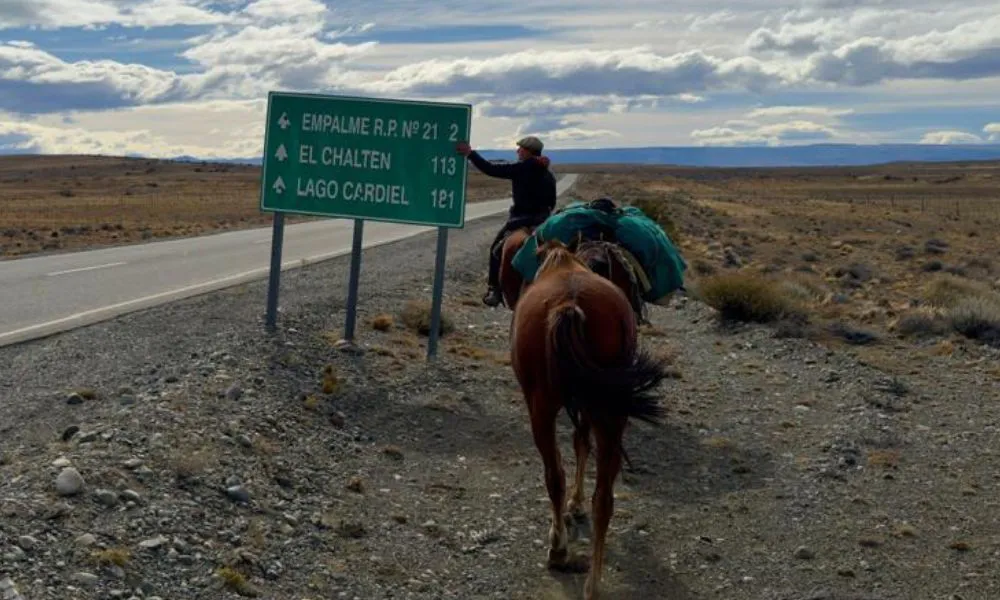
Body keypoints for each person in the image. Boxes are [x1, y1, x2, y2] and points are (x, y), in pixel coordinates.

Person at [456, 136, 557, 307]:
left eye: (520, 149)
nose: (517, 151)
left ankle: (494, 289)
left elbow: (490, 169)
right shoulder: (548, 174)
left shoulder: (521, 168)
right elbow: (552, 203)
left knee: (496, 250)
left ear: (528, 151)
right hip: (543, 221)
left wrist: (470, 154)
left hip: (521, 220)